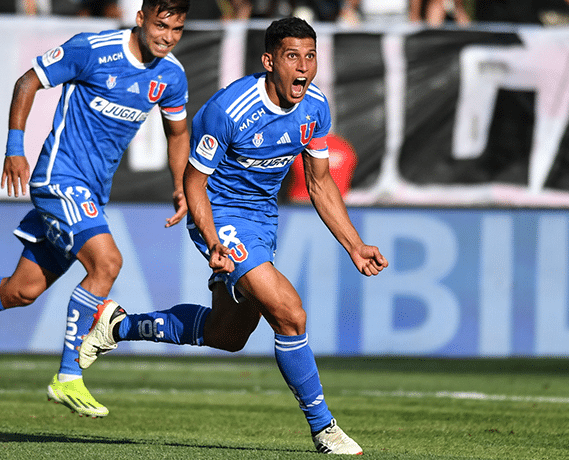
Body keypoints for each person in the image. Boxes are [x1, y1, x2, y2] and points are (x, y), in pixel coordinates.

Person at [78, 17, 388, 454]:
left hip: (262, 220)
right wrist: (213, 240)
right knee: (289, 313)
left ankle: (117, 324)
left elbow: (319, 184)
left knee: (227, 335)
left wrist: (355, 245)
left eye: (310, 56)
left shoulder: (315, 107)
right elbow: (194, 182)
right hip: (219, 215)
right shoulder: (231, 109)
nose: (303, 67)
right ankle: (324, 427)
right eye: (292, 56)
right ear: (269, 61)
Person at [0, 0, 191, 419]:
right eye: (161, 26)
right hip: (58, 179)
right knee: (107, 262)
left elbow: (178, 132)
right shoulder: (92, 49)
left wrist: (181, 185)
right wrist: (16, 147)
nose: (167, 37)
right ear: (140, 19)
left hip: (91, 192)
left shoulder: (171, 76)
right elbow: (27, 81)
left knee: (22, 290)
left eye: (176, 30)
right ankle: (68, 376)